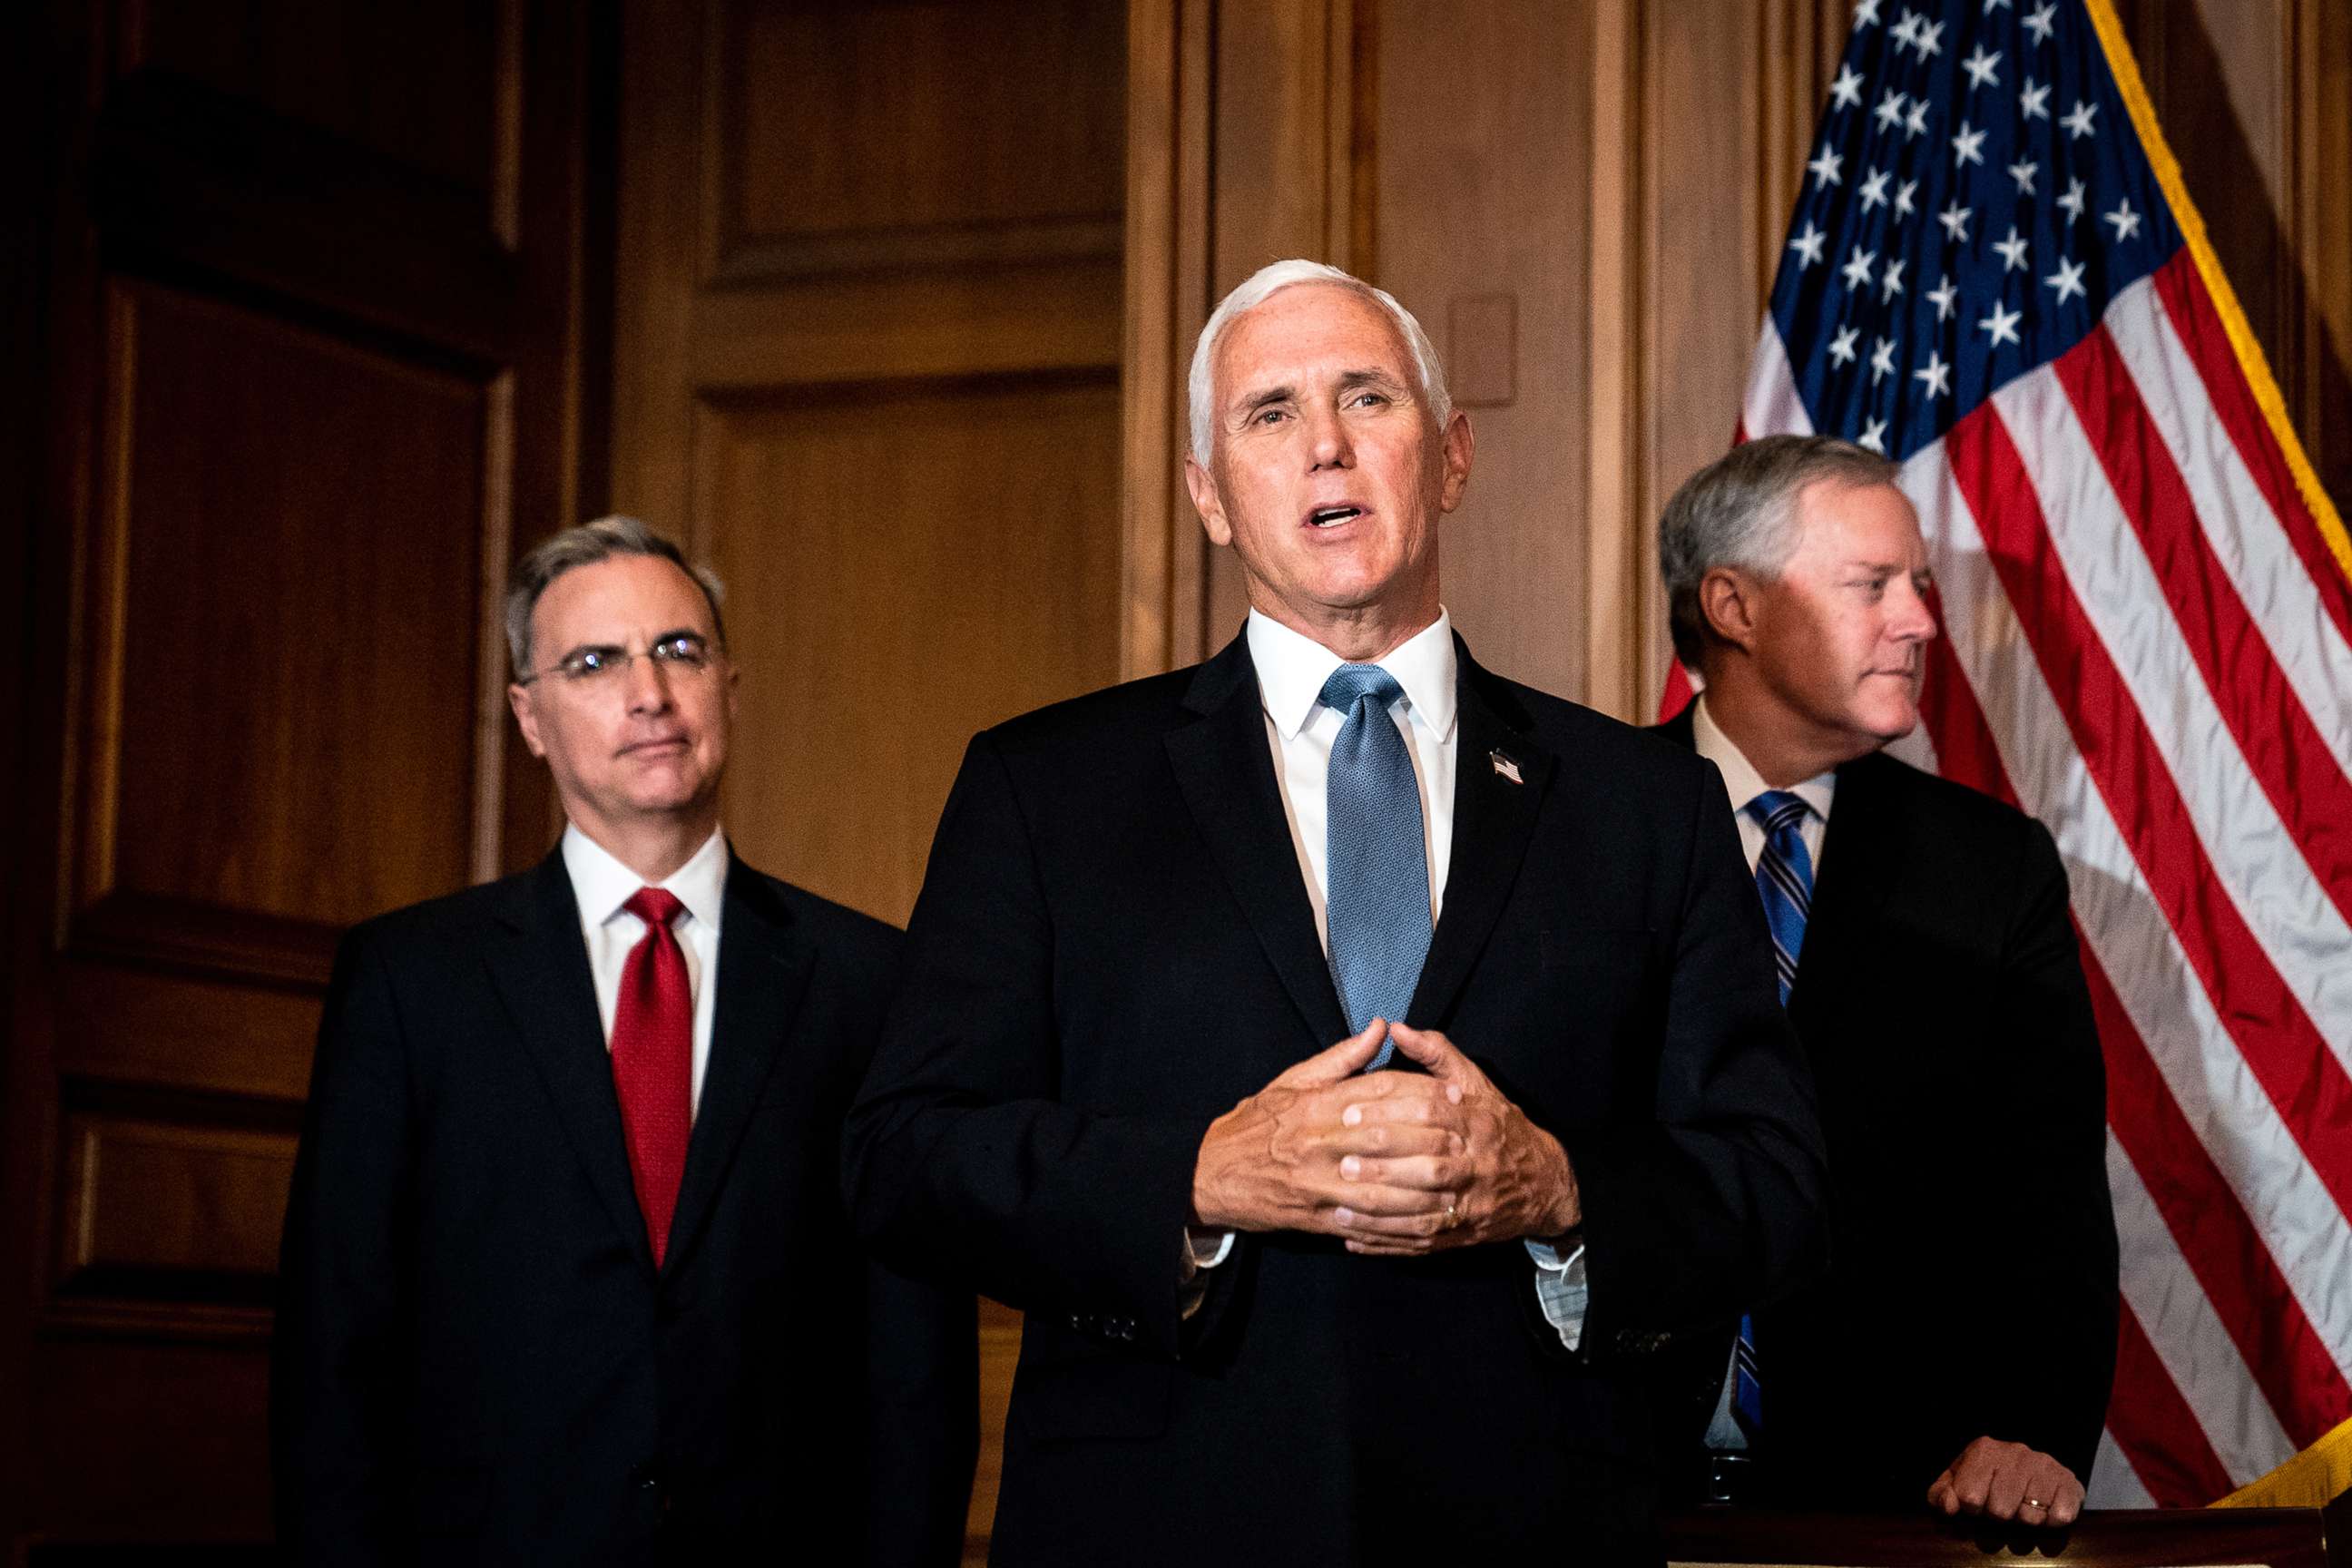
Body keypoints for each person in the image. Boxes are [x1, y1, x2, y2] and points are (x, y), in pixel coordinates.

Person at [844, 260, 1826, 1565]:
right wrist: (1197, 1178)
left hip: (1531, 1520)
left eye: (1368, 397)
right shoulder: (1047, 791)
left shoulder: (1643, 801)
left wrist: (1557, 1188)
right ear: (1208, 494)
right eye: (1269, 413)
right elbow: (905, 1159)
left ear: (1454, 455)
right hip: (1160, 1526)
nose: (1325, 445)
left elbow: (1769, 1179)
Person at [272, 517, 975, 1563]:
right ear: (530, 717)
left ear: (729, 686)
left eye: (680, 651)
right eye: (596, 662)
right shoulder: (411, 981)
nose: (650, 692)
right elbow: (336, 1348)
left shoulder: (869, 982)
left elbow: (915, 1362)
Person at [1652, 435, 2118, 1524]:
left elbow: (2050, 1205)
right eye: (1872, 586)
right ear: (1735, 606)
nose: (1921, 621)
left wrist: (2038, 1433)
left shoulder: (1992, 872)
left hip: (1897, 1507)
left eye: (1917, 586)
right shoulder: (1574, 829)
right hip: (1596, 1500)